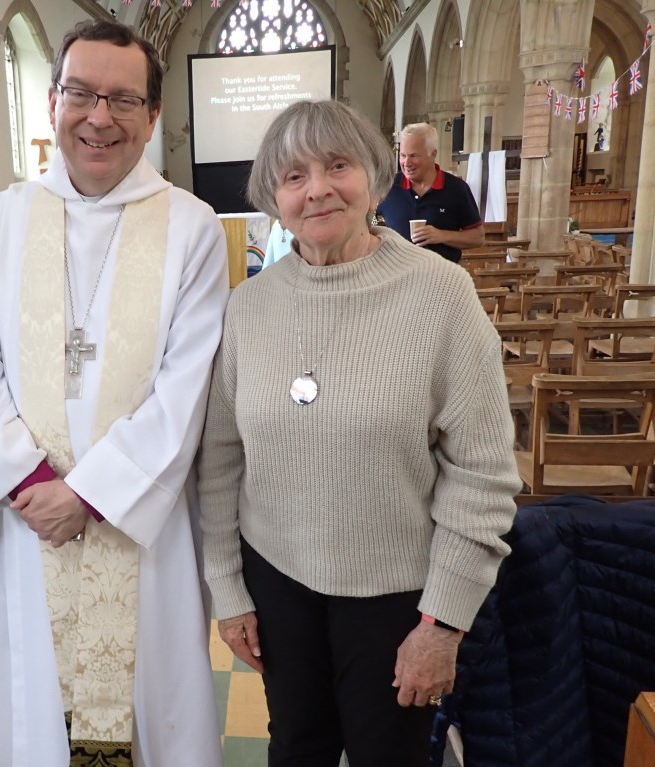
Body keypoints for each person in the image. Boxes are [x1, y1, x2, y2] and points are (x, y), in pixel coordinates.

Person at [198, 100, 520, 767]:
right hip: (277, 582)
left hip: (398, 596)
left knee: (389, 756)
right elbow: (223, 459)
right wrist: (227, 589)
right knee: (295, 748)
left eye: (337, 165)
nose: (317, 188)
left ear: (374, 178)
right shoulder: (248, 307)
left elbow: (483, 473)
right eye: (294, 176)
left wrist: (443, 623)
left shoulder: (442, 295)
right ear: (274, 199)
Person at [0, 18, 228, 767]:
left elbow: (188, 387)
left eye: (123, 99)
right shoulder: (5, 219)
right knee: (32, 711)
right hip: (30, 520)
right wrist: (32, 482)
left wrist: (91, 495)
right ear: (52, 102)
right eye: (81, 93)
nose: (100, 117)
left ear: (153, 115)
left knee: (150, 706)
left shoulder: (192, 228)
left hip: (140, 525)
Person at [377, 122, 485, 262]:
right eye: (403, 156)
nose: (406, 163)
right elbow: (368, 219)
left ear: (432, 154)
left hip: (442, 273)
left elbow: (478, 237)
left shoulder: (457, 189)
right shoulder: (389, 186)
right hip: (397, 272)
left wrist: (442, 236)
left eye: (414, 156)